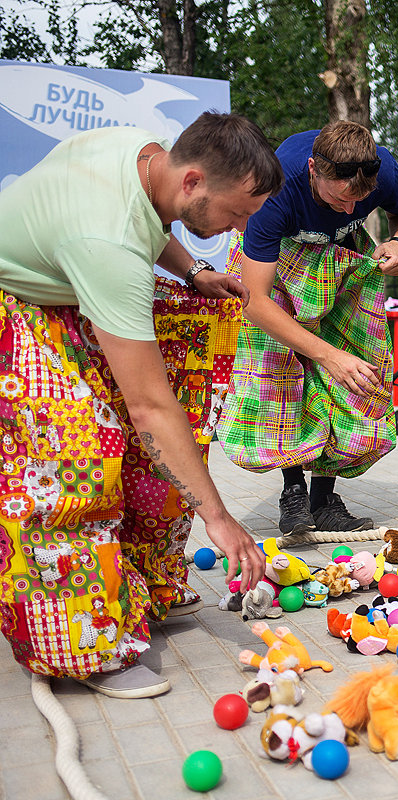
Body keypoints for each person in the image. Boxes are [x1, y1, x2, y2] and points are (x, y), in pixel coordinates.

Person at [0, 112, 282, 698]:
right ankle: (82, 642)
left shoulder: (146, 156)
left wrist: (195, 270)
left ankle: (143, 580)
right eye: (238, 211)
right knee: (74, 454)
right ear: (193, 181)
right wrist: (220, 518)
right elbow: (149, 407)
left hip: (71, 279)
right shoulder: (106, 239)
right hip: (20, 299)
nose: (243, 225)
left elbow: (153, 228)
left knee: (187, 345)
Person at [216, 121, 398, 535]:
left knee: (355, 373)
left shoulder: (384, 171)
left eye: (359, 202)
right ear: (313, 169)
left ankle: (323, 497)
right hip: (275, 267)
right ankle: (293, 490)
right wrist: (325, 354)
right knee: (280, 372)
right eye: (339, 199)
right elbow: (255, 301)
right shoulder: (273, 189)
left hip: (341, 263)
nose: (349, 211)